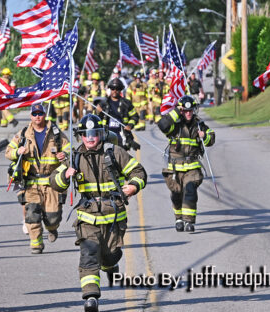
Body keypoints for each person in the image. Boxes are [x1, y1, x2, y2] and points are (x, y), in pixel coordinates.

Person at [50, 114, 147, 312]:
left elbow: (139, 172)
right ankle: (91, 297)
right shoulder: (74, 156)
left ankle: (109, 265)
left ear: (101, 134)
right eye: (86, 134)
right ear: (81, 136)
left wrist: (133, 187)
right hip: (87, 217)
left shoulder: (115, 153)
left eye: (94, 134)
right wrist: (64, 174)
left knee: (111, 255)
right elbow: (55, 182)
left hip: (113, 217)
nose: (91, 138)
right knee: (89, 254)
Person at [5, 104, 70, 254]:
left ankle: (52, 229)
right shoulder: (22, 134)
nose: (38, 116)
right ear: (31, 116)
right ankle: (36, 243)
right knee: (32, 213)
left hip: (51, 182)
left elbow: (69, 148)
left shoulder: (56, 133)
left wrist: (64, 155)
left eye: (40, 113)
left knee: (53, 217)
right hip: (31, 183)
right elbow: (8, 152)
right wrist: (17, 151)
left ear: (44, 115)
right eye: (35, 114)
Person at [157, 95, 215, 232]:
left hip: (192, 168)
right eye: (185, 111)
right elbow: (162, 125)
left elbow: (211, 138)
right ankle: (178, 218)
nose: (188, 113)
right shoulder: (174, 126)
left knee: (190, 191)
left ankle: (189, 222)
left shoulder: (199, 125)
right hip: (174, 170)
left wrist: (204, 136)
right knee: (176, 194)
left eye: (190, 111)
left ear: (194, 110)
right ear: (181, 110)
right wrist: (176, 111)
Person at [95, 78, 140, 150]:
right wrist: (98, 112)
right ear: (110, 89)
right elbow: (96, 119)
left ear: (121, 90)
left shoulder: (126, 103)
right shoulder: (103, 104)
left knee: (121, 158)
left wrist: (130, 125)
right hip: (107, 136)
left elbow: (134, 116)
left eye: (117, 88)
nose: (115, 91)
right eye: (113, 88)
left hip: (122, 136)